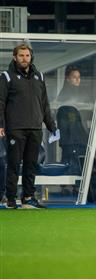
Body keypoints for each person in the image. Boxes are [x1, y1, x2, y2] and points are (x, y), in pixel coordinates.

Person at [0, 43, 58, 209]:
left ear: (31, 57)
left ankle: (28, 197)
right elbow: (0, 102)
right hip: (15, 128)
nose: (24, 59)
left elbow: (44, 104)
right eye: (21, 55)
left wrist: (51, 125)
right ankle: (10, 199)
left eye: (27, 55)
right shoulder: (6, 77)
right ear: (15, 57)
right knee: (13, 164)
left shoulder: (39, 76)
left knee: (31, 164)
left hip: (35, 128)